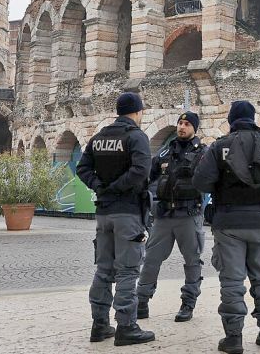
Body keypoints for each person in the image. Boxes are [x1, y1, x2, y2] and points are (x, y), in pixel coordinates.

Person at [193, 100, 260, 354]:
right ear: (253, 118)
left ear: (231, 120)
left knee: (232, 281)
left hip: (229, 222)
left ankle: (233, 338)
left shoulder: (219, 146)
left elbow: (201, 182)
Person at [75, 92, 156, 346]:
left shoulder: (99, 137)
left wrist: (99, 186)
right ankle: (126, 326)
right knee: (128, 270)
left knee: (104, 269)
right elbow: (141, 170)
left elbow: (82, 168)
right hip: (127, 211)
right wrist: (117, 187)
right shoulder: (136, 137)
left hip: (104, 212)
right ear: (138, 112)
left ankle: (99, 325)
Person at [137, 111, 207, 323]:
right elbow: (149, 177)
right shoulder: (166, 151)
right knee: (151, 259)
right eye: (180, 123)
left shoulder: (203, 152)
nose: (182, 127)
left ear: (194, 128)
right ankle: (141, 301)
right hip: (164, 215)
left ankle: (188, 303)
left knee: (192, 261)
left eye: (187, 124)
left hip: (189, 215)